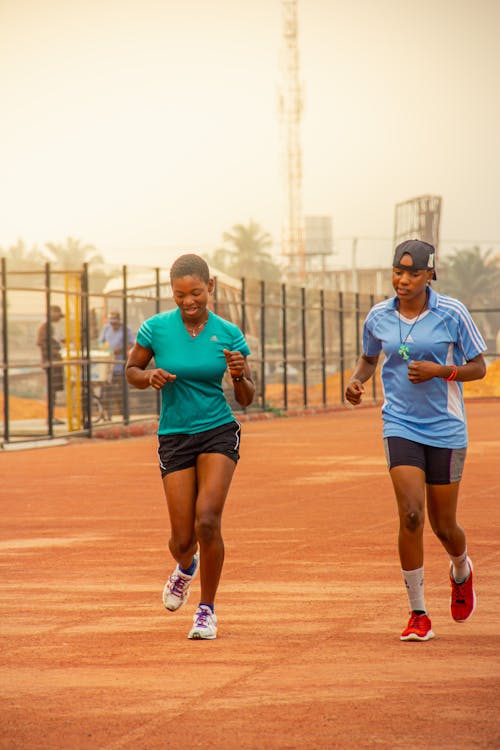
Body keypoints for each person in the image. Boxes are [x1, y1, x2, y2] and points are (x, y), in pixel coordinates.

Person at [345, 239, 487, 642]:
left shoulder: (452, 313)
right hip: (400, 424)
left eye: (412, 272)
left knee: (445, 526)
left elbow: (479, 366)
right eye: (398, 271)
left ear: (430, 274)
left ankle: (461, 567)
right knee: (410, 514)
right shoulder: (378, 316)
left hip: (446, 428)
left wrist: (442, 371)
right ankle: (418, 613)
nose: (403, 280)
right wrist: (357, 382)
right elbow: (370, 358)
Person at [125, 253, 255, 640]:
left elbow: (247, 396)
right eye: (180, 294)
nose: (188, 302)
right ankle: (185, 567)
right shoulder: (155, 329)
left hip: (217, 429)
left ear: (209, 288)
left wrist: (238, 375)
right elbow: (131, 371)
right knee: (182, 539)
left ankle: (206, 610)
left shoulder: (229, 333)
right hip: (175, 435)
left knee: (208, 520)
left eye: (196, 293)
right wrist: (148, 378)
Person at [98, 310, 134, 420]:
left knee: (121, 391)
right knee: (106, 392)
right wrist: (105, 349)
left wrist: (121, 350)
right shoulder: (106, 328)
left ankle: (124, 416)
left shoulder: (126, 330)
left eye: (115, 322)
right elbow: (100, 342)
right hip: (108, 365)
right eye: (111, 322)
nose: (113, 324)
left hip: (121, 365)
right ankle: (107, 415)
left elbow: (131, 343)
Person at [36, 304, 66, 425]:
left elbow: (58, 340)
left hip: (55, 362)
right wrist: (56, 353)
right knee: (51, 390)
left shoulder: (51, 327)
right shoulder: (45, 327)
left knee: (54, 389)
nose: (59, 317)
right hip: (51, 362)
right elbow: (42, 344)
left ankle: (51, 417)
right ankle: (50, 418)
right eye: (57, 314)